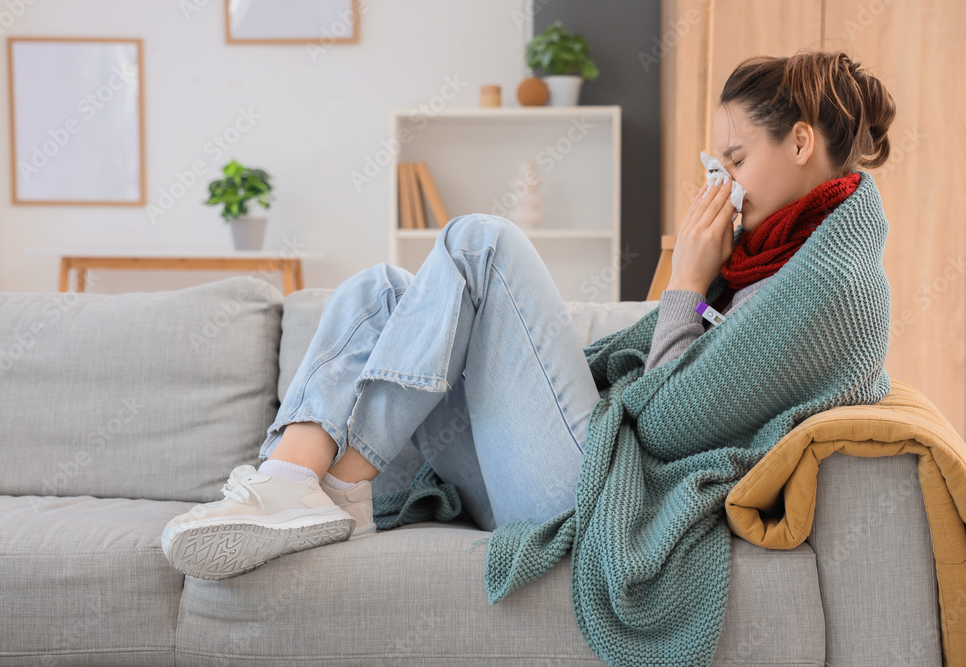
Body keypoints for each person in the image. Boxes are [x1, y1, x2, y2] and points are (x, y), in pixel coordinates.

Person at [161, 47, 896, 584]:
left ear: (800, 142)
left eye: (732, 162)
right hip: (578, 470)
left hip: (599, 494)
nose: (721, 188)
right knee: (381, 289)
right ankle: (293, 477)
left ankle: (337, 486)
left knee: (481, 242)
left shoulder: (827, 285)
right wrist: (701, 287)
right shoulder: (773, 258)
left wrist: (688, 282)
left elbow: (672, 427)